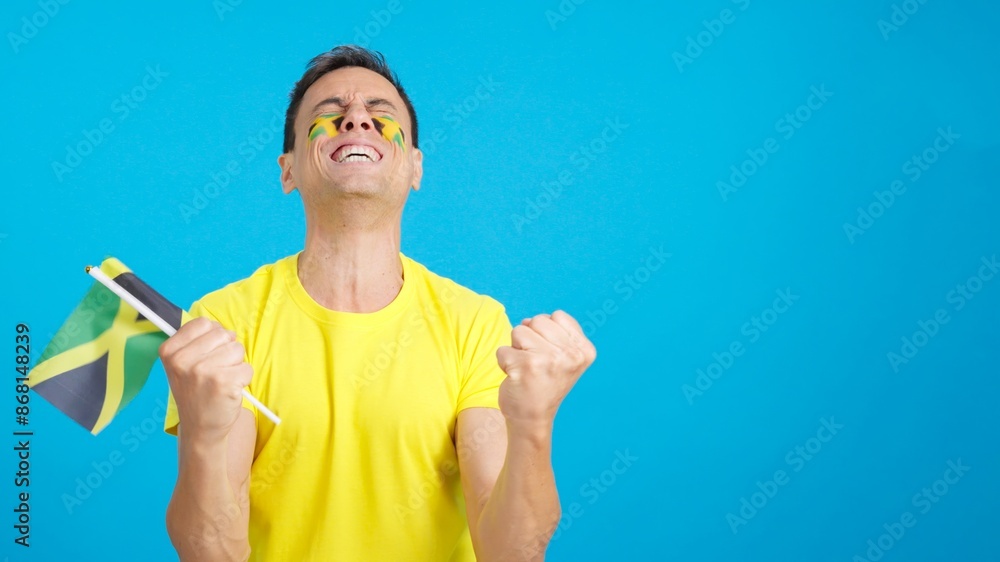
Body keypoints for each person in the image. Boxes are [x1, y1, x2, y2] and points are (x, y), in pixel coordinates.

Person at [160, 45, 596, 561]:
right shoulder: (223, 324)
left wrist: (533, 426)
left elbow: (510, 553)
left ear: (415, 167)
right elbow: (211, 556)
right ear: (288, 171)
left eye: (380, 114)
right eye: (329, 114)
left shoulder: (476, 325)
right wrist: (204, 440)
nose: (357, 120)